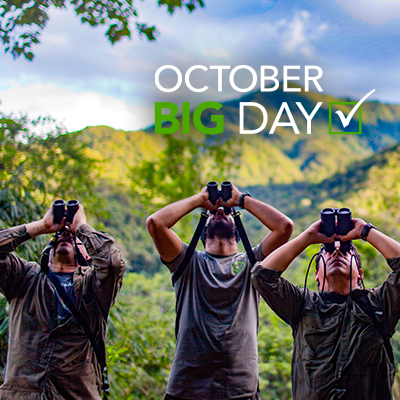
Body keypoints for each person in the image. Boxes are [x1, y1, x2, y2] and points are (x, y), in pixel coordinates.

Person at [146, 184, 293, 400]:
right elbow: (156, 223)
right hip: (186, 391)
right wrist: (200, 199)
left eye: (226, 212)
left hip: (241, 391)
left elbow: (284, 227)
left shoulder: (253, 263)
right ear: (204, 231)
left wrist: (241, 200)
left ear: (238, 227)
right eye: (214, 214)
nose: (220, 212)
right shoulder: (187, 263)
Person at [251, 216, 400, 400]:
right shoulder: (302, 304)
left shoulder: (378, 303)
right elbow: (261, 276)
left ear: (360, 274)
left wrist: (366, 231)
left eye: (347, 252)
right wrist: (309, 236)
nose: (336, 253)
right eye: (327, 252)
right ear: (316, 275)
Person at [0, 203, 125, 400]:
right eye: (57, 236)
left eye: (73, 238)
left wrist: (81, 227)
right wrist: (41, 226)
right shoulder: (24, 279)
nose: (65, 236)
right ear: (46, 253)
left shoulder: (94, 287)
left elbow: (112, 262)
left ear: (87, 255)